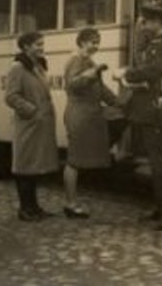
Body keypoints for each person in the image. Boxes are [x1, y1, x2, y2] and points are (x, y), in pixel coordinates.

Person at [123, 3, 162, 231]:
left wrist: (128, 74)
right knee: (155, 162)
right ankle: (160, 207)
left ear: (157, 22)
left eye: (145, 23)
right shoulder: (154, 43)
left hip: (158, 109)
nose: (143, 27)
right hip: (148, 109)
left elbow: (156, 70)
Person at [62, 27, 119, 219]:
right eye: (93, 42)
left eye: (98, 42)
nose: (96, 45)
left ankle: (72, 202)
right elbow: (73, 85)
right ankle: (70, 203)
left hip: (88, 115)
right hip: (79, 114)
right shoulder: (76, 60)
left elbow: (100, 89)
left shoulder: (87, 61)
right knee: (74, 161)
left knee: (77, 160)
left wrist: (117, 102)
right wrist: (93, 72)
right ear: (82, 42)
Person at [4, 31, 59, 222]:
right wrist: (32, 111)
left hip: (38, 126)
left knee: (34, 167)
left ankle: (34, 207)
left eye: (42, 44)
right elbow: (11, 96)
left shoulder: (37, 66)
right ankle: (25, 209)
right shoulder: (18, 68)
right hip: (27, 125)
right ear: (26, 47)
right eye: (38, 44)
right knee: (24, 167)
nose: (42, 48)